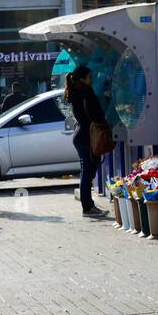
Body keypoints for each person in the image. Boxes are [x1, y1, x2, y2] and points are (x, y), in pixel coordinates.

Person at [64, 66, 109, 218]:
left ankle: (88, 206)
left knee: (87, 172)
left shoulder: (75, 93)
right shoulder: (87, 94)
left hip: (81, 135)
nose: (92, 80)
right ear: (82, 79)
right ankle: (88, 208)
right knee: (87, 173)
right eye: (89, 77)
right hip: (88, 136)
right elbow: (98, 115)